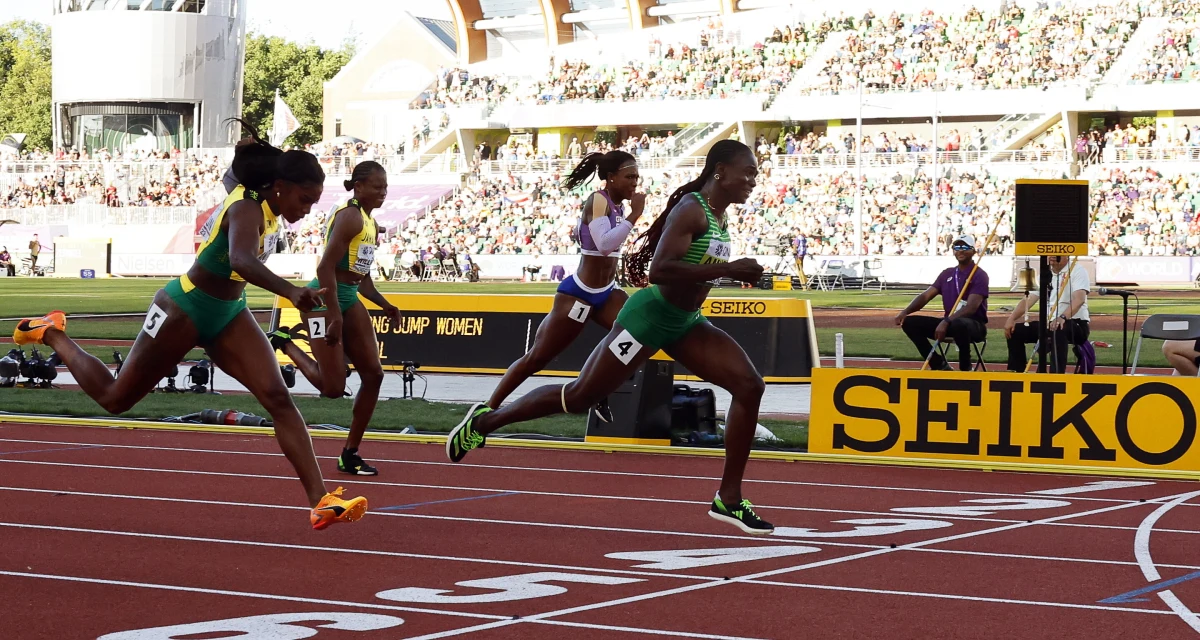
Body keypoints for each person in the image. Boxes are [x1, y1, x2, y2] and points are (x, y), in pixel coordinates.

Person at [12, 120, 368, 530]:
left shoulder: (264, 199)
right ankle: (51, 331)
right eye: (305, 200)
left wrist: (247, 148)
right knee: (115, 398)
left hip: (230, 313)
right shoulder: (247, 207)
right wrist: (289, 291)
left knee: (278, 398)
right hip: (184, 307)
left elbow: (234, 175)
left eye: (314, 202)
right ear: (280, 186)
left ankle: (321, 501)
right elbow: (240, 260)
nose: (307, 210)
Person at [446, 140, 775, 535]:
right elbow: (660, 271)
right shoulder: (693, 209)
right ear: (720, 171)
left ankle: (729, 499)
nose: (753, 181)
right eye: (749, 172)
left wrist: (727, 271)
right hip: (648, 319)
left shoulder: (720, 216)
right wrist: (728, 269)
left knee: (749, 386)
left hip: (685, 321)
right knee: (579, 396)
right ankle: (486, 422)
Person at [484, 150, 646, 415]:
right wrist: (634, 215)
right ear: (611, 177)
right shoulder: (598, 200)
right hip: (580, 295)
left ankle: (597, 388)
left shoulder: (619, 206)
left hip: (607, 291)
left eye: (637, 177)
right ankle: (487, 408)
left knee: (636, 333)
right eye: (629, 177)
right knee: (537, 358)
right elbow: (604, 245)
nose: (635, 182)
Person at [270, 161, 401, 476]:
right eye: (377, 186)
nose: (383, 192)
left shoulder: (370, 223)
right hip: (322, 299)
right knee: (332, 388)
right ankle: (285, 342)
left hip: (348, 297)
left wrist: (386, 305)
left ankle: (350, 453)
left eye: (385, 186)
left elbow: (361, 278)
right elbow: (324, 267)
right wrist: (333, 314)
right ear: (359, 186)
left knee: (374, 375)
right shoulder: (350, 217)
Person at [894, 234, 989, 371]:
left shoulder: (979, 274)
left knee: (959, 324)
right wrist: (905, 312)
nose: (960, 251)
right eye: (957, 247)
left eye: (965, 247)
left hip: (974, 325)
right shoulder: (947, 274)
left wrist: (946, 321)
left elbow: (971, 308)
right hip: (950, 322)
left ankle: (965, 368)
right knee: (909, 323)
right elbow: (926, 296)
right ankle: (938, 364)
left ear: (973, 251)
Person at [1003, 255, 1090, 373]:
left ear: (1066, 255)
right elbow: (1029, 299)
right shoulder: (1045, 275)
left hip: (1076, 323)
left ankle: (1056, 376)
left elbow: (1079, 299)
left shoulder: (1077, 271)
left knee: (1057, 329)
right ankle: (1016, 373)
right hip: (1049, 323)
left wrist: (1062, 317)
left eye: (1056, 252)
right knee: (1015, 331)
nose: (1052, 256)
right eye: (1050, 253)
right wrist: (1012, 318)